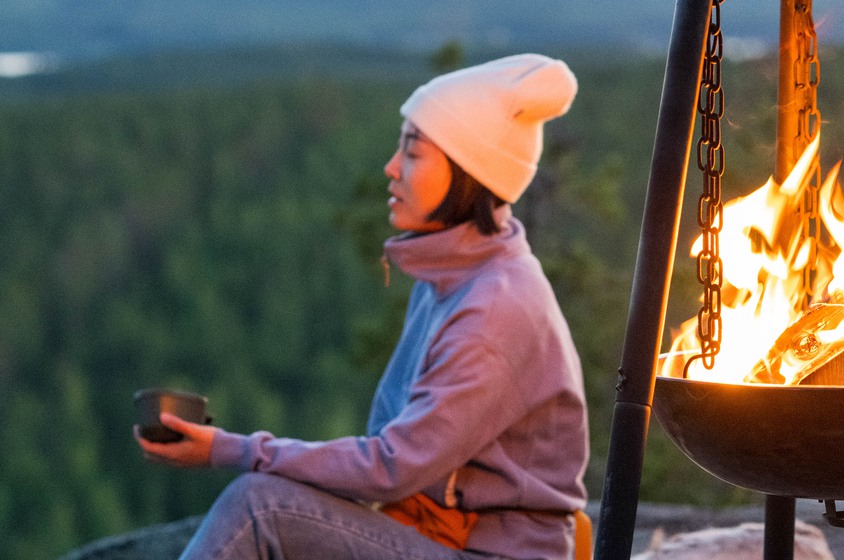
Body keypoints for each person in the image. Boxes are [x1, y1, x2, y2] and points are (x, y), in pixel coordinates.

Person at [135, 53, 590, 560]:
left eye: (413, 152)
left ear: (469, 171)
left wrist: (231, 449)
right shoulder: (455, 276)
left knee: (261, 509)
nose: (391, 168)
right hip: (438, 537)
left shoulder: (494, 309)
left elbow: (390, 467)